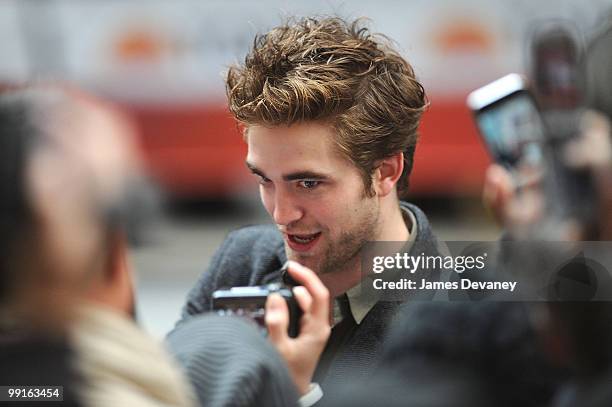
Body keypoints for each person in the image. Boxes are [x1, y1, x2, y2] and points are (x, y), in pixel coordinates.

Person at [175, 16, 440, 396]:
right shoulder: (240, 264)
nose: (281, 215)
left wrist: (290, 394)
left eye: (308, 183)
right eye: (264, 179)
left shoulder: (454, 317)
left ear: (385, 172)